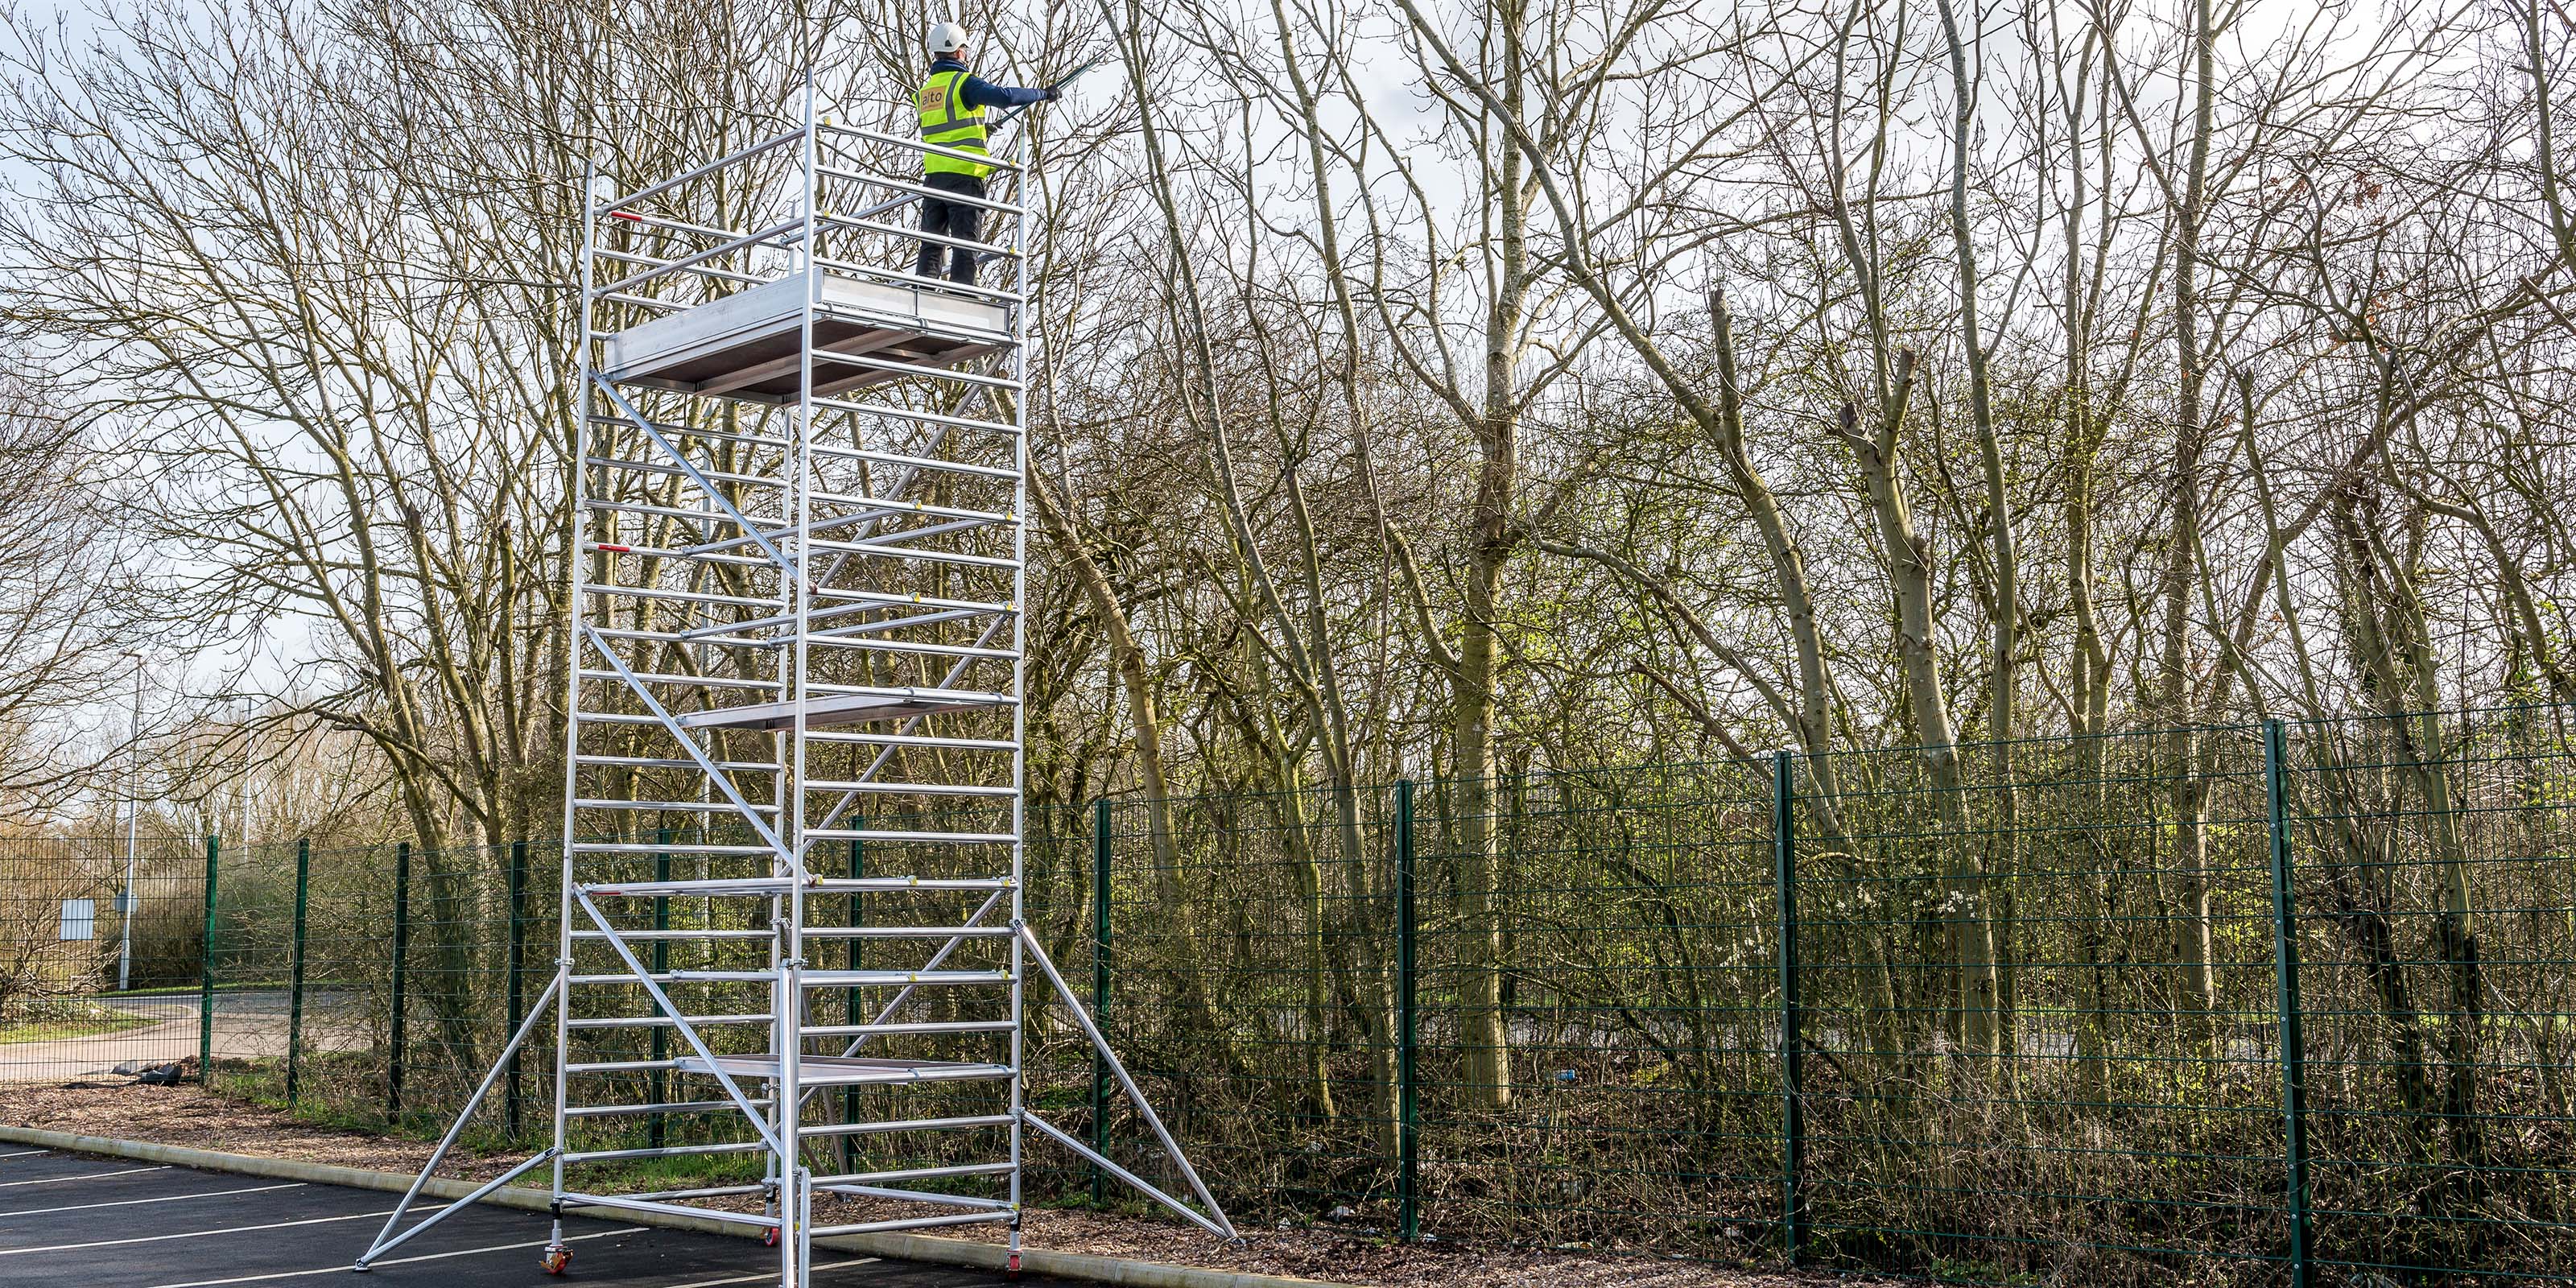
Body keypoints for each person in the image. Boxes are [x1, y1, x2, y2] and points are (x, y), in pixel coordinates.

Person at [916, 22, 1059, 287]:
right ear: (959, 52)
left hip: (935, 177)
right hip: (965, 176)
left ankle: (922, 293)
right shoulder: (964, 83)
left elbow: (945, 127)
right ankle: (964, 297)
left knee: (931, 244)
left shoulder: (925, 92)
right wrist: (1042, 94)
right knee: (965, 243)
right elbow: (1004, 97)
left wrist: (983, 130)